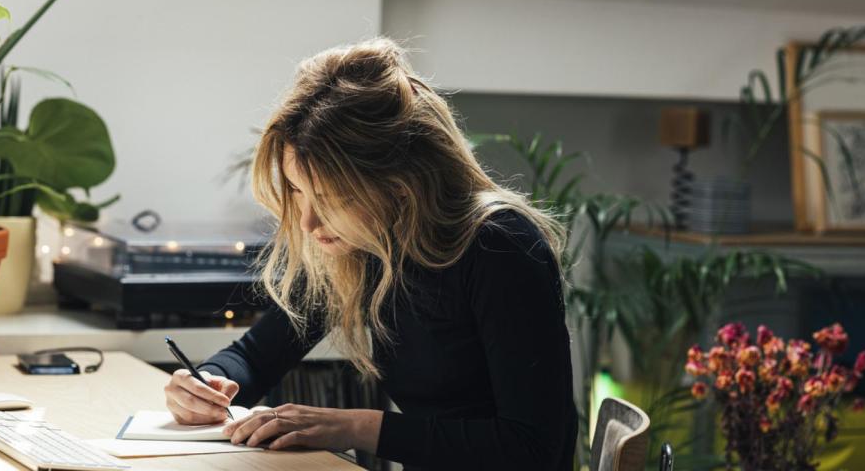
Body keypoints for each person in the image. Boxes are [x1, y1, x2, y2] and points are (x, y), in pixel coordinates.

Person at [163, 38, 577, 470]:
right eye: (299, 193)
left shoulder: (500, 245)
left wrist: (354, 426)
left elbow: (531, 447)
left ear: (400, 184)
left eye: (330, 199)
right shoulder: (362, 246)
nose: (306, 223)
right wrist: (209, 383)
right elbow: (256, 355)